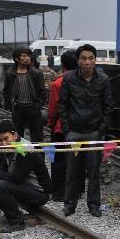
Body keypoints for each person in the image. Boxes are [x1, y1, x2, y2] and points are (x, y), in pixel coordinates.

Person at [58, 43, 113, 217]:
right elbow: (63, 105)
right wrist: (67, 129)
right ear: (78, 60)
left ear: (95, 60)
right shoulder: (68, 79)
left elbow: (108, 107)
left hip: (94, 132)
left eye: (91, 58)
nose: (87, 62)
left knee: (94, 171)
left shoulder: (103, 80)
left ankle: (94, 204)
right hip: (74, 131)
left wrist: (101, 129)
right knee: (72, 171)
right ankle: (69, 204)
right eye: (83, 58)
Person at [0, 119, 51, 233]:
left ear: (15, 135)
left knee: (2, 185)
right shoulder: (10, 147)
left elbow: (16, 178)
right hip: (26, 188)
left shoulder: (24, 150)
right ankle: (9, 212)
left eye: (6, 139)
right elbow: (4, 169)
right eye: (0, 140)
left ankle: (16, 222)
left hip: (39, 194)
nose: (3, 144)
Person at [46, 50, 77, 202]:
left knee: (58, 161)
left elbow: (53, 109)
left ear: (63, 65)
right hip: (79, 127)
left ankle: (58, 193)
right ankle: (76, 191)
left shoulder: (57, 83)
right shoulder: (82, 81)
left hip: (60, 128)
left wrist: (51, 124)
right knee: (76, 159)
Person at [2, 47, 46, 144]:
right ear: (17, 59)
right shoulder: (10, 74)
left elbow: (42, 91)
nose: (27, 58)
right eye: (24, 56)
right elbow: (6, 91)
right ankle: (20, 157)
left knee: (37, 136)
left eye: (28, 56)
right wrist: (10, 106)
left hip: (33, 108)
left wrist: (38, 106)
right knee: (17, 136)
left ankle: (39, 157)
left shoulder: (36, 73)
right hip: (18, 109)